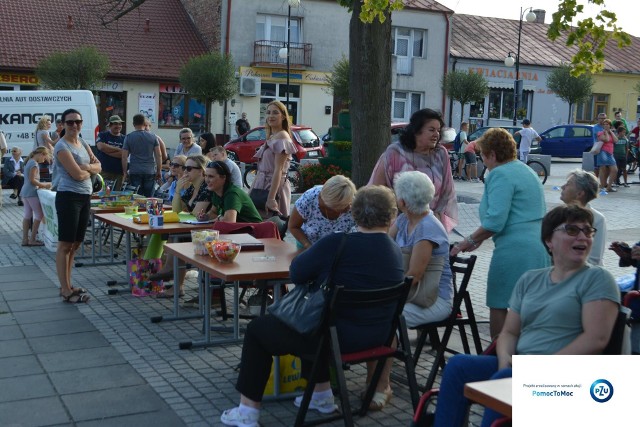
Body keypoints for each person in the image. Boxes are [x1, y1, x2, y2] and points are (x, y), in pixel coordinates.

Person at [220, 185, 405, 427]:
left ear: (354, 213)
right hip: (379, 338)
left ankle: (247, 411)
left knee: (259, 330)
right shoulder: (394, 251)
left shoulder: (338, 243)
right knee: (320, 317)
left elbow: (297, 274)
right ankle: (321, 395)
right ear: (392, 216)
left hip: (333, 338)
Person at [434, 205, 619, 427]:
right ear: (549, 241)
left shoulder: (597, 279)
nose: (583, 237)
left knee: (502, 382)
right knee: (457, 366)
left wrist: (536, 368)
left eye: (588, 231)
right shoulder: (531, 279)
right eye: (572, 230)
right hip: (521, 367)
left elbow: (596, 339)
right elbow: (510, 332)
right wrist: (505, 362)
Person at [368, 171, 454, 412]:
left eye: (397, 196)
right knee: (374, 313)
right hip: (411, 296)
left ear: (404, 201)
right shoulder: (406, 220)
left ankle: (382, 385)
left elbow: (414, 276)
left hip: (434, 300)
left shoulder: (428, 228)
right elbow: (382, 245)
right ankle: (373, 380)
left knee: (386, 320)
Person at [451, 128, 549, 338]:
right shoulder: (526, 170)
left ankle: (499, 360)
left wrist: (465, 242)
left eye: (482, 156)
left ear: (493, 154)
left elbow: (495, 221)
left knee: (499, 302)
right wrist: (478, 239)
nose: (482, 161)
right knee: (528, 306)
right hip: (539, 246)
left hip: (515, 250)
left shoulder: (500, 174)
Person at [368, 108, 458, 232]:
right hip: (397, 225)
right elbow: (376, 190)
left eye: (438, 130)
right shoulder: (395, 152)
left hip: (430, 222)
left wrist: (436, 219)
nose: (436, 134)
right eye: (431, 130)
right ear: (416, 131)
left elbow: (447, 191)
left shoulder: (441, 153)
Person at [54, 108, 101, 304]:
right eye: (70, 122)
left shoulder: (82, 142)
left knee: (75, 244)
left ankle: (69, 284)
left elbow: (99, 166)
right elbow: (75, 174)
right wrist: (87, 170)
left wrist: (87, 168)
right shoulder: (62, 146)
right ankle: (64, 289)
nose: (75, 125)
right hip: (68, 196)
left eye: (78, 122)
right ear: (63, 124)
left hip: (84, 196)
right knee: (65, 244)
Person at [150, 154, 211, 295]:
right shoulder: (192, 188)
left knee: (176, 236)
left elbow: (196, 212)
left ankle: (172, 275)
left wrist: (185, 207)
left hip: (206, 233)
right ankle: (174, 280)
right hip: (194, 228)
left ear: (201, 171)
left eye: (188, 168)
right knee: (174, 234)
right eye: (185, 168)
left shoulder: (205, 188)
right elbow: (176, 209)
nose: (185, 172)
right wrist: (178, 190)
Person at [250, 100, 297, 218]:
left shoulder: (282, 136)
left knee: (271, 226)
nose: (271, 116)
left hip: (272, 187)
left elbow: (278, 170)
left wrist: (271, 198)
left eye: (275, 113)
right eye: (268, 112)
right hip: (262, 184)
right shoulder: (273, 136)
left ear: (283, 117)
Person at [288, 175, 357, 249]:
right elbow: (293, 226)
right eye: (342, 206)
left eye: (349, 203)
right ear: (329, 204)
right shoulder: (309, 199)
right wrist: (308, 247)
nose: (348, 208)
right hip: (308, 245)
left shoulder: (354, 204)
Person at [560, 169, 606, 266]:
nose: (562, 187)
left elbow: (595, 260)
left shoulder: (597, 219)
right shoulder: (558, 215)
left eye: (568, 184)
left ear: (580, 194)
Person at [121, 114, 162, 197]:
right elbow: (159, 155)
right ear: (144, 123)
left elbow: (124, 157)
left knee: (137, 198)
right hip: (149, 171)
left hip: (135, 171)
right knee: (149, 198)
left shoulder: (129, 137)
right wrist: (159, 170)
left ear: (133, 124)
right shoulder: (153, 137)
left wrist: (125, 172)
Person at [20, 146, 52, 246]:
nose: (43, 160)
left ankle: (25, 239)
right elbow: (32, 180)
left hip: (25, 192)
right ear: (41, 154)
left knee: (27, 215)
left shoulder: (29, 161)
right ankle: (33, 239)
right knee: (39, 215)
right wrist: (45, 185)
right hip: (31, 192)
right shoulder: (34, 164)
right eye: (44, 158)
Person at [96, 115, 126, 190]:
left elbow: (124, 154)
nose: (118, 126)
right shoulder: (103, 135)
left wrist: (107, 151)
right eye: (115, 124)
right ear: (110, 125)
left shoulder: (125, 138)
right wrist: (119, 149)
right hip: (105, 171)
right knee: (103, 193)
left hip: (119, 172)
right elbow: (101, 147)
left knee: (116, 195)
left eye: (120, 124)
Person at [595, 118, 618, 192]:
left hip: (610, 153)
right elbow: (607, 140)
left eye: (607, 124)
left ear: (610, 125)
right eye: (604, 124)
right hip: (602, 152)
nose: (605, 125)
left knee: (614, 170)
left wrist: (610, 132)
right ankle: (602, 186)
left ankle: (609, 187)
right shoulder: (600, 133)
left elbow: (616, 141)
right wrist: (606, 132)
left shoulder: (611, 133)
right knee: (603, 169)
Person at [591, 112, 606, 178]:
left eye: (604, 118)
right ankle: (595, 181)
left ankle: (603, 183)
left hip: (606, 149)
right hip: (598, 149)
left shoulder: (607, 126)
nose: (603, 120)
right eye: (601, 118)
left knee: (605, 167)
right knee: (597, 167)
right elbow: (600, 137)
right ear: (598, 119)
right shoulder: (596, 127)